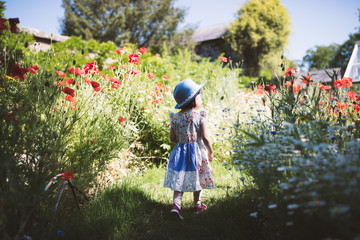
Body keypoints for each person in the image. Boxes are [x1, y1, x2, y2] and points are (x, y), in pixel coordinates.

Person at [164, 78, 214, 220]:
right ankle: (197, 205)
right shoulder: (199, 115)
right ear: (192, 99)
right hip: (197, 152)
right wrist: (210, 150)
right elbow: (205, 136)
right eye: (199, 95)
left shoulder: (176, 118)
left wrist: (182, 140)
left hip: (180, 151)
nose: (201, 97)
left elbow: (172, 138)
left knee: (180, 177)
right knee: (197, 176)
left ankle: (176, 205)